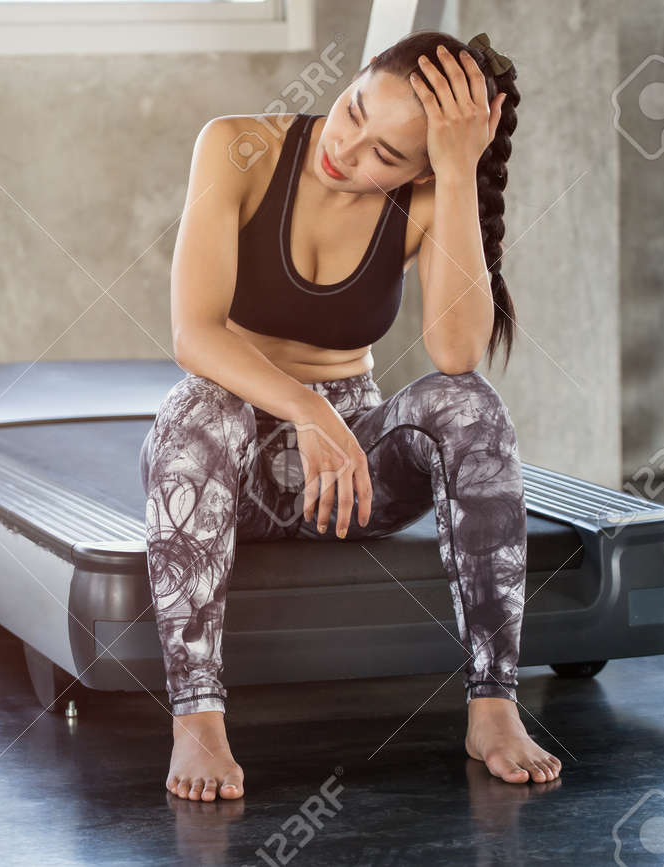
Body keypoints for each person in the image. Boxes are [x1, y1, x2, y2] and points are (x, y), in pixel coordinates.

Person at [139, 30, 563, 801]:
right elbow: (193, 334)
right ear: (351, 78)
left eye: (387, 156)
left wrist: (459, 168)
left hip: (350, 476)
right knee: (200, 404)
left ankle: (493, 704)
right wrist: (304, 407)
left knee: (470, 405)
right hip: (234, 458)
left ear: (422, 166)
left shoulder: (431, 196)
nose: (348, 148)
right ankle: (197, 720)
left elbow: (458, 351)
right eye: (353, 110)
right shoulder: (237, 146)